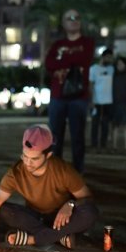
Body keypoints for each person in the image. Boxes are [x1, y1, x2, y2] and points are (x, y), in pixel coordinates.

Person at [0, 125, 98, 252]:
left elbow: (88, 198)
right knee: (3, 210)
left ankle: (32, 239)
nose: (28, 163)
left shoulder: (63, 170)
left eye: (34, 159)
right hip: (35, 219)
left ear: (48, 155)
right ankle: (58, 237)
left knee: (90, 212)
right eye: (25, 156)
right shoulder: (15, 173)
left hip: (61, 220)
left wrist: (71, 204)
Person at [45, 9, 95, 174]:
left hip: (78, 97)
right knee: (55, 137)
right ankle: (55, 170)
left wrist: (62, 61)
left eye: (76, 17)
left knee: (77, 137)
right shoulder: (57, 45)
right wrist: (68, 63)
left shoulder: (87, 43)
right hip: (58, 96)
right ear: (63, 23)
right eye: (69, 18)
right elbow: (48, 63)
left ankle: (77, 172)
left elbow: (83, 59)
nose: (73, 20)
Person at [89, 48, 114, 151]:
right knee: (95, 124)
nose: (110, 59)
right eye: (108, 57)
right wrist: (91, 101)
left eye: (111, 57)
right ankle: (94, 144)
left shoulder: (112, 69)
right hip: (97, 101)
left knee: (105, 125)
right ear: (103, 57)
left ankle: (103, 144)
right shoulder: (94, 69)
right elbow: (90, 85)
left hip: (108, 101)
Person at [111, 56, 126, 151]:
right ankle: (114, 146)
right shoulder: (114, 76)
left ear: (125, 65)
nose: (119, 65)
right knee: (115, 126)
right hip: (115, 104)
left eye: (121, 64)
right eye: (118, 64)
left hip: (125, 104)